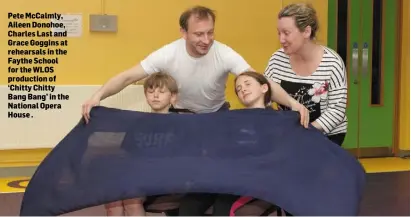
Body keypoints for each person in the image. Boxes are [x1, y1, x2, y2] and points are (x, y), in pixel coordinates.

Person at [81, 5, 310, 216]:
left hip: (215, 117)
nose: (206, 39)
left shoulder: (223, 53)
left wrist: (293, 103)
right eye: (199, 34)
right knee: (182, 183)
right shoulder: (168, 53)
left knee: (213, 178)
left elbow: (262, 81)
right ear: (184, 33)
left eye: (210, 32)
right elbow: (128, 76)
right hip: (183, 119)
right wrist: (98, 96)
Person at [264, 3, 348, 146]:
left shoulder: (332, 62)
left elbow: (337, 109)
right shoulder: (276, 59)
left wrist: (306, 132)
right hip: (288, 135)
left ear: (306, 32)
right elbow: (266, 93)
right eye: (279, 33)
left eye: (286, 33)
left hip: (326, 137)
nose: (281, 39)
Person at [103, 72, 178, 216]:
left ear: (173, 97)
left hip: (165, 175)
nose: (155, 95)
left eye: (161, 92)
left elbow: (182, 156)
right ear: (146, 95)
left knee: (131, 198)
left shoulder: (179, 124)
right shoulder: (138, 123)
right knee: (113, 196)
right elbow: (126, 153)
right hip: (139, 174)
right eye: (151, 92)